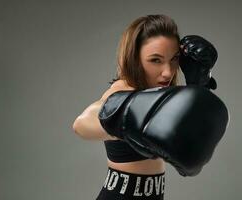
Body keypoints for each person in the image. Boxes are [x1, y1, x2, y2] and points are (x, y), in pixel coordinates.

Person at [73, 14, 228, 200]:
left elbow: (192, 158)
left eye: (174, 59)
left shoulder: (159, 95)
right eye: (156, 60)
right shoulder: (124, 89)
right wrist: (125, 115)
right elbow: (82, 123)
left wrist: (199, 87)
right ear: (134, 59)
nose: (168, 72)